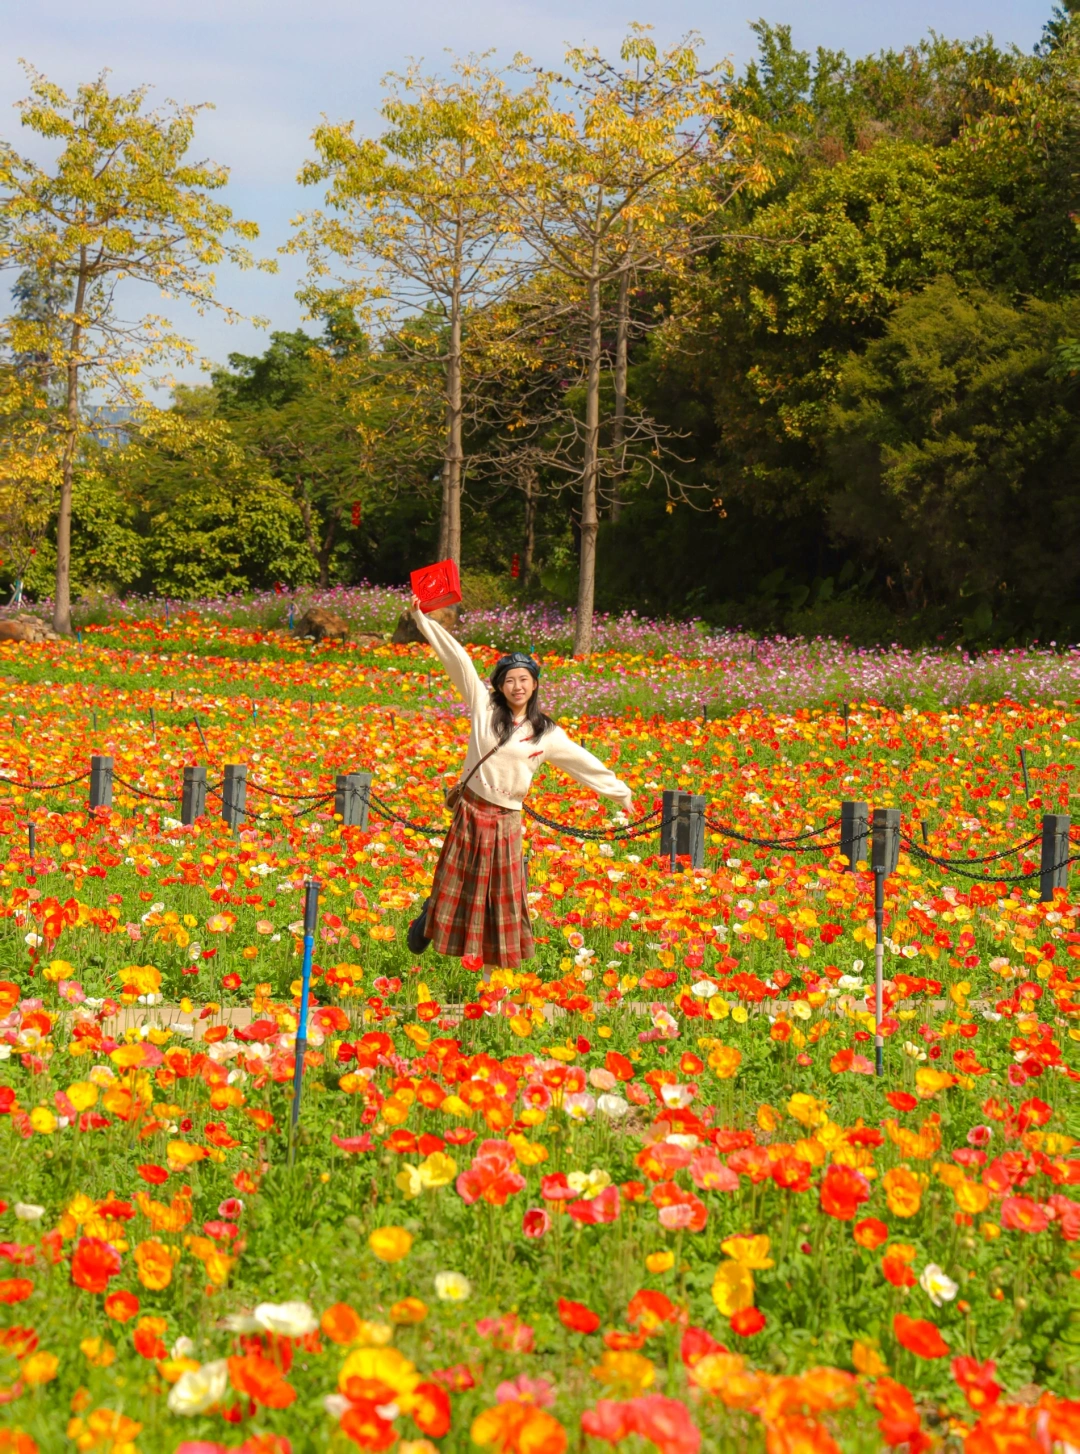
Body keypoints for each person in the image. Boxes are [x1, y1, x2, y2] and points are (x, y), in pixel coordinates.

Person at [405, 595, 634, 970]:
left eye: (524, 679)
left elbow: (582, 762)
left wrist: (619, 792)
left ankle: (494, 979)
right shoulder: (483, 706)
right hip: (471, 810)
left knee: (504, 900)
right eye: (509, 680)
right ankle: (432, 913)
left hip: (507, 820)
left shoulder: (546, 733)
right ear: (498, 686)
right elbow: (457, 659)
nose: (517, 686)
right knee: (454, 883)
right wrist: (422, 620)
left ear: (534, 684)